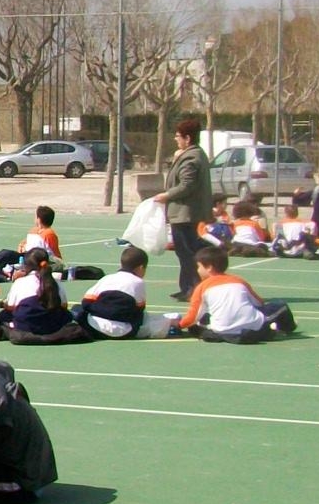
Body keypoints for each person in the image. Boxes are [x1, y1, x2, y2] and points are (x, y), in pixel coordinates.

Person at [178, 244, 297, 343]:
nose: (197, 270)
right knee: (280, 306)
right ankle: (288, 329)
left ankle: (219, 333)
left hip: (221, 330)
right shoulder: (239, 281)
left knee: (203, 319)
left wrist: (178, 326)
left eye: (198, 267)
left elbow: (191, 318)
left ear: (209, 267)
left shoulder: (201, 287)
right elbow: (259, 303)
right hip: (252, 327)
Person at [152, 116, 212, 299]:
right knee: (184, 252)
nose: (175, 139)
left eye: (178, 136)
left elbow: (187, 185)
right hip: (185, 214)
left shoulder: (191, 158)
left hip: (186, 214)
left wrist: (166, 195)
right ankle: (186, 286)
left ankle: (193, 288)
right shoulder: (191, 155)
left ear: (188, 138)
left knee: (187, 253)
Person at [76, 246, 154, 339]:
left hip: (94, 328)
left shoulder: (107, 278)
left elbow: (86, 302)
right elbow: (139, 308)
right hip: (124, 332)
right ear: (141, 268)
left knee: (77, 308)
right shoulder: (139, 282)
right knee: (142, 316)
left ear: (121, 264)